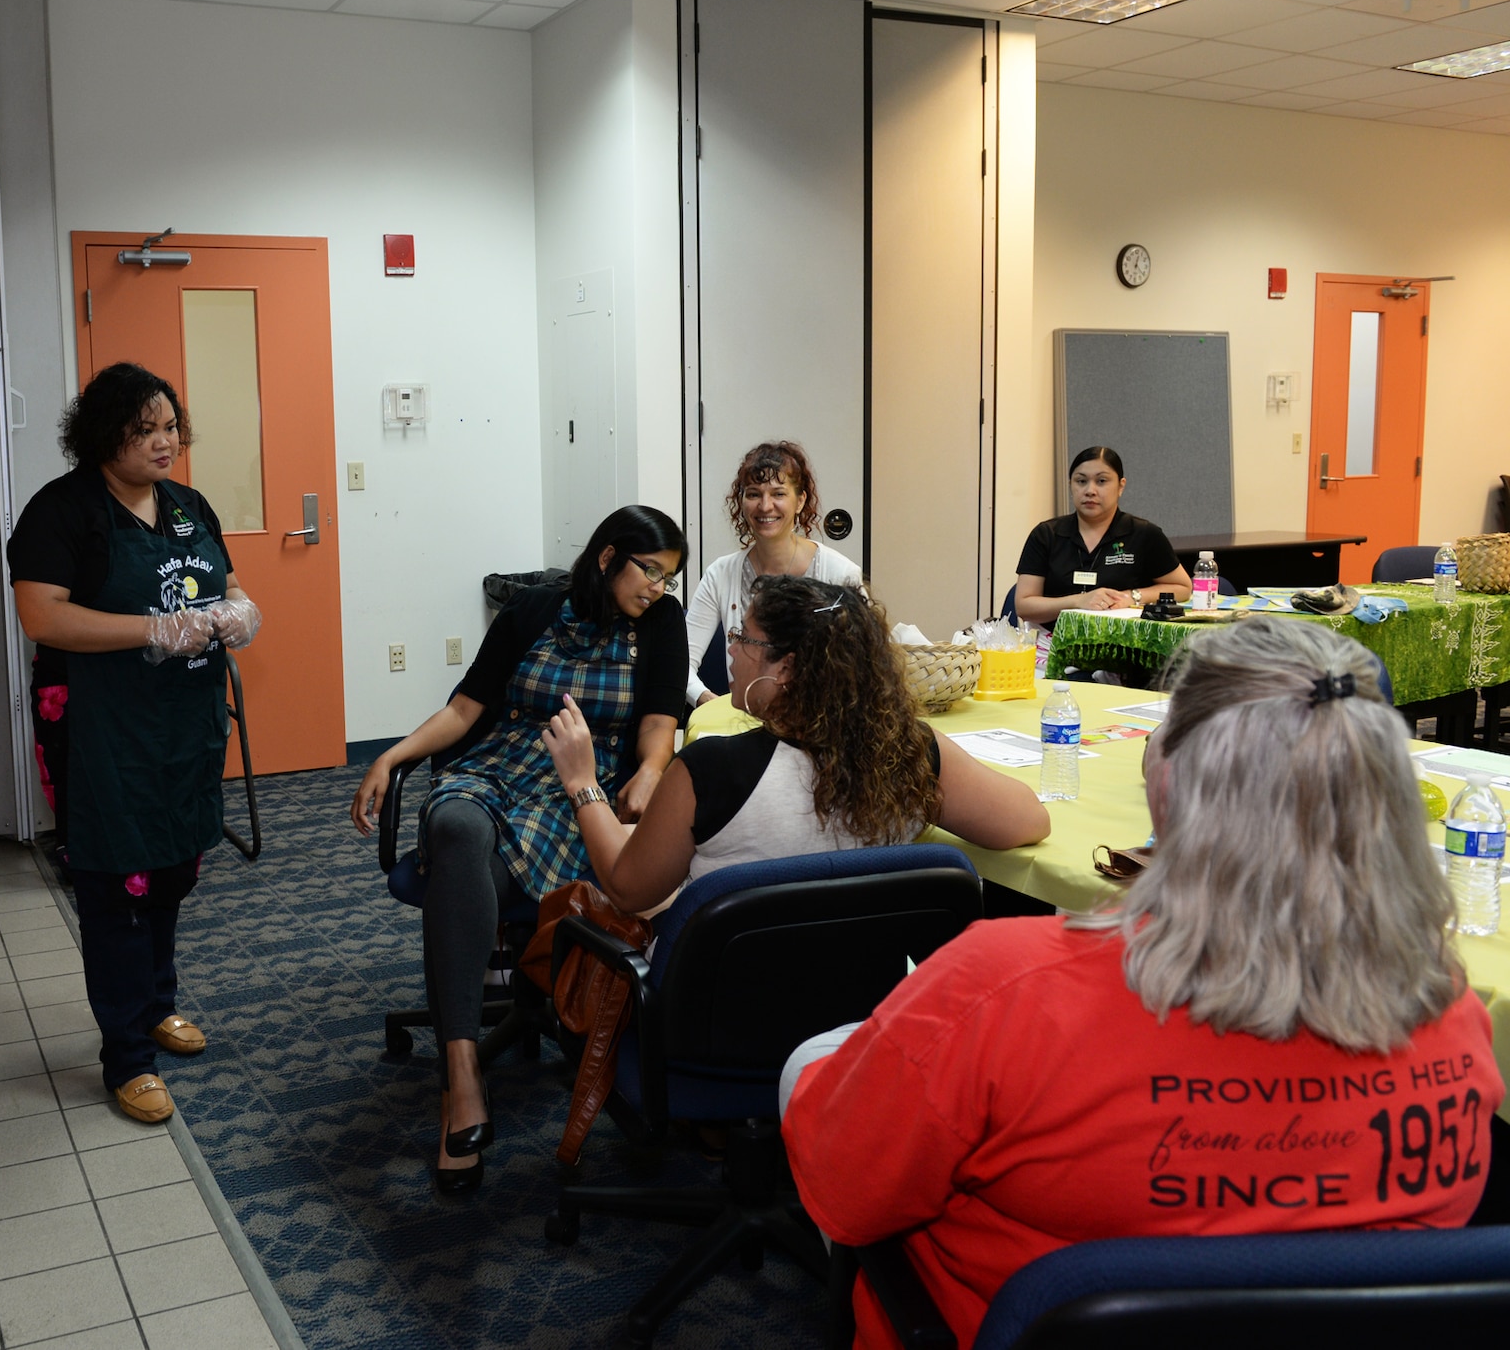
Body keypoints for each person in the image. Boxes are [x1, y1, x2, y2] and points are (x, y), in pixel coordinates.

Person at [781, 619, 1503, 1350]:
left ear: (1167, 781)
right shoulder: (1449, 1005)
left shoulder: (999, 988)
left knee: (816, 1060)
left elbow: (842, 1193)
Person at [349, 505, 689, 1193]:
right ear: (606, 558)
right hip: (499, 770)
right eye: (647, 570)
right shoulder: (534, 610)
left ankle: (460, 1076)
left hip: (579, 790)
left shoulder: (659, 625)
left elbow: (659, 722)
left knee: (455, 875)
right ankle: (465, 1072)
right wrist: (392, 756)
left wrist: (651, 771)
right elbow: (466, 709)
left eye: (668, 577)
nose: (657, 587)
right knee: (454, 828)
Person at [8, 362, 262, 1123]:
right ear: (101, 435)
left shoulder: (188, 505)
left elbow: (228, 581)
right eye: (144, 429)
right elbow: (44, 618)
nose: (163, 442)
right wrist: (152, 628)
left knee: (172, 868)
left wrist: (241, 607)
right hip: (101, 726)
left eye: (170, 427)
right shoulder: (63, 511)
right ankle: (127, 1055)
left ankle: (156, 1004)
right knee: (118, 883)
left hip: (183, 725)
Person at [544, 576, 1048, 920]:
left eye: (744, 638)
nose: (732, 651)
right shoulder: (910, 754)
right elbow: (1029, 821)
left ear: (783, 668)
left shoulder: (709, 769)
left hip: (719, 1027)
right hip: (857, 1019)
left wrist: (583, 783)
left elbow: (629, 889)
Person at [687, 440, 861, 705]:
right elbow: (680, 662)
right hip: (743, 720)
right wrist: (711, 704)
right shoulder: (720, 575)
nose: (765, 506)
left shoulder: (840, 573)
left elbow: (863, 667)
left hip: (818, 725)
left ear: (800, 501)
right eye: (754, 494)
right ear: (742, 502)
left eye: (778, 494)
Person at [1013, 445, 1191, 626]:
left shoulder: (1144, 534)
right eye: (1081, 481)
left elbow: (1183, 588)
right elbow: (1024, 606)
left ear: (1121, 486)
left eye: (1101, 481)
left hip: (1124, 644)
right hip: (1053, 643)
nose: (1090, 490)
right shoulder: (1046, 535)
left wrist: (1132, 596)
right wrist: (1078, 601)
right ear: (1070, 485)